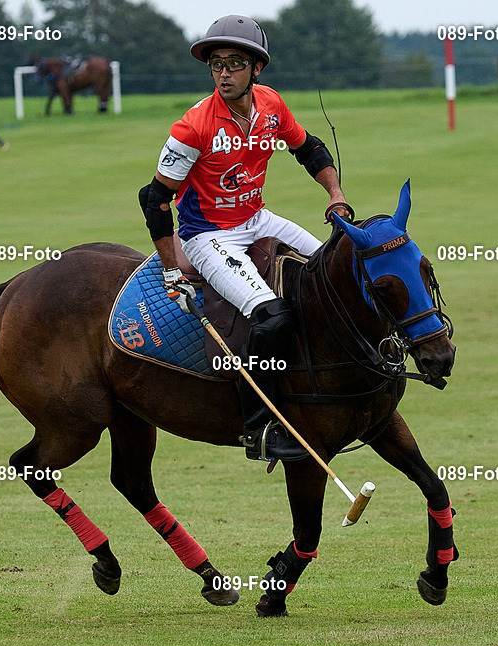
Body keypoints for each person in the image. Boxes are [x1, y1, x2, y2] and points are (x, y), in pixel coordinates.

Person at [139, 14, 350, 459]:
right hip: (209, 236)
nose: (223, 73)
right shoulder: (193, 126)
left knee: (340, 269)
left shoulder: (271, 104)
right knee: (272, 317)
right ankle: (260, 426)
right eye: (216, 64)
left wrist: (335, 193)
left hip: (258, 219)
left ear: (257, 68)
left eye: (234, 63)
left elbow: (308, 147)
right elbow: (155, 198)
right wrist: (173, 269)